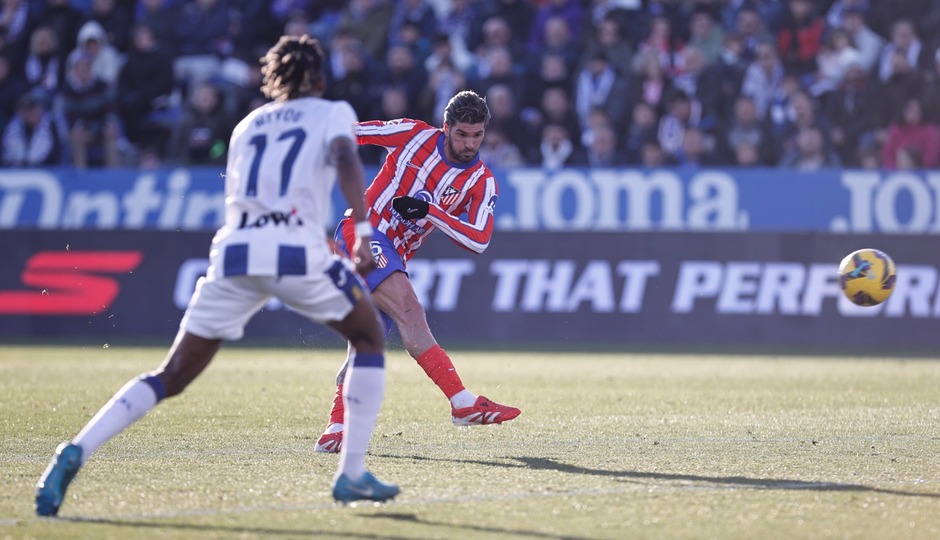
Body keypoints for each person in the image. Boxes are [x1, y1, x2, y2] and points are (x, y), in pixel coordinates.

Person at [34, 35, 399, 517]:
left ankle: (75, 450)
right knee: (370, 334)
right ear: (320, 79)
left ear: (273, 80)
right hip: (293, 249)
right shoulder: (334, 111)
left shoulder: (247, 125)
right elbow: (346, 158)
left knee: (173, 373)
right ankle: (351, 474)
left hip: (233, 254)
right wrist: (363, 228)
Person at [314, 89, 521, 453]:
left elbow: (478, 240)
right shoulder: (412, 134)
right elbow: (354, 133)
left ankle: (335, 429)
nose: (470, 143)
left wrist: (432, 213)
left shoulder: (481, 181)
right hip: (360, 232)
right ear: (445, 127)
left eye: (477, 135)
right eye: (462, 134)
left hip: (395, 255)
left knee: (368, 342)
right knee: (410, 309)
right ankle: (461, 402)